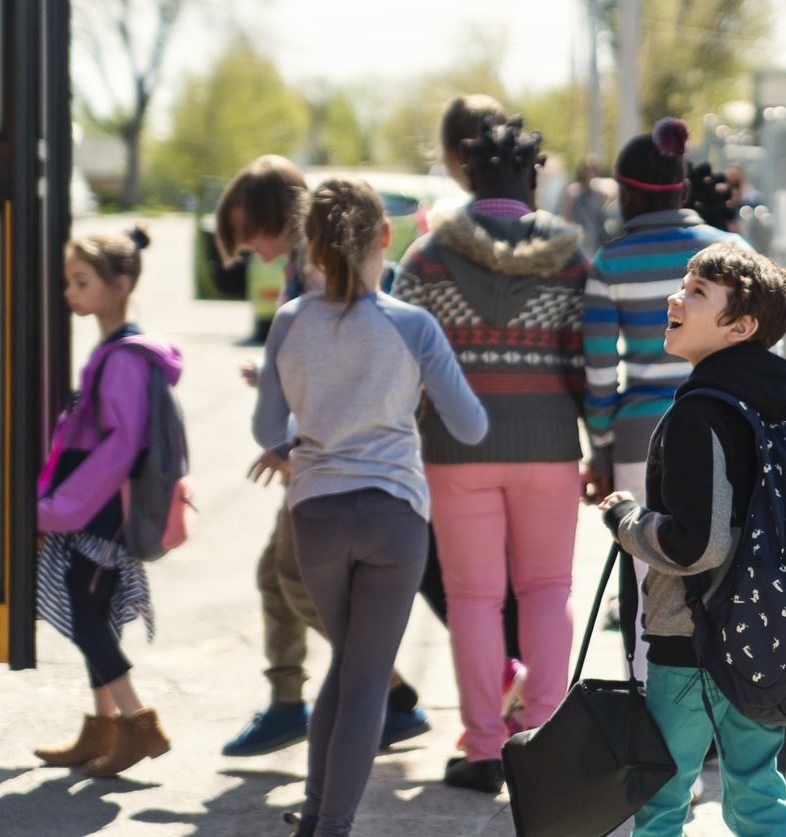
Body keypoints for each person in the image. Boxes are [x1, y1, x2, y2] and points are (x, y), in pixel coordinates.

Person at [254, 177, 488, 837]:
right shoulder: (413, 325)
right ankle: (331, 825)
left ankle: (317, 816)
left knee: (350, 665)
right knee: (364, 676)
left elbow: (267, 430)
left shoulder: (291, 320)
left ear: (311, 247)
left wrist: (310, 430)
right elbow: (469, 425)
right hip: (394, 518)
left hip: (316, 514)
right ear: (386, 237)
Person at [393, 116, 588, 794]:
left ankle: (482, 749)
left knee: (474, 597)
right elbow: (583, 359)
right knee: (547, 590)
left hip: (455, 449)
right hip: (550, 448)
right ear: (533, 178)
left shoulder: (429, 256)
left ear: (466, 175)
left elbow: (403, 356)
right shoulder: (570, 258)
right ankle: (545, 746)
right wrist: (599, 441)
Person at [215, 155, 429, 759]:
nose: (247, 246)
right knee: (275, 576)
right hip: (320, 455)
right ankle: (294, 702)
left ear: (282, 218)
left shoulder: (314, 269)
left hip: (329, 463)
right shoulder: (303, 268)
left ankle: (380, 693)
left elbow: (346, 365)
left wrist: (291, 442)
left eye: (250, 231)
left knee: (294, 579)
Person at [598, 242, 786, 836]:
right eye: (683, 284)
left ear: (740, 327)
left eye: (696, 292)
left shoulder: (698, 415)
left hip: (691, 641)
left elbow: (696, 546)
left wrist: (627, 521)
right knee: (760, 795)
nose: (675, 297)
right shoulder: (765, 409)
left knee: (661, 800)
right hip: (762, 638)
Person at [583, 117, 749, 687]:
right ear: (682, 188)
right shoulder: (731, 252)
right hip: (726, 432)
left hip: (637, 439)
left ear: (626, 194)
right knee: (725, 572)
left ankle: (653, 727)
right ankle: (724, 711)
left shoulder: (610, 261)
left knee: (647, 586)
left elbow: (601, 368)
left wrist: (600, 448)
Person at [33, 226, 178, 777]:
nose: (69, 291)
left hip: (99, 511)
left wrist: (58, 508)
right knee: (91, 612)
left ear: (119, 285)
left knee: (85, 611)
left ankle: (138, 723)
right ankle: (102, 730)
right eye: (69, 281)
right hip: (93, 507)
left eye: (81, 281)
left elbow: (119, 447)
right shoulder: (116, 351)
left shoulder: (123, 358)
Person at [416, 96, 528, 725]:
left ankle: (498, 702)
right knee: (517, 574)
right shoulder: (537, 223)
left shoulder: (444, 235)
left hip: (457, 430)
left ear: (457, 157)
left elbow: (412, 330)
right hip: (536, 428)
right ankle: (518, 709)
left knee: (449, 570)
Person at [560, 154, 618, 259]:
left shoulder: (600, 193)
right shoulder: (574, 192)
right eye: (589, 171)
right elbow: (566, 217)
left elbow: (613, 194)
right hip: (579, 238)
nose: (591, 174)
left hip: (597, 239)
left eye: (594, 170)